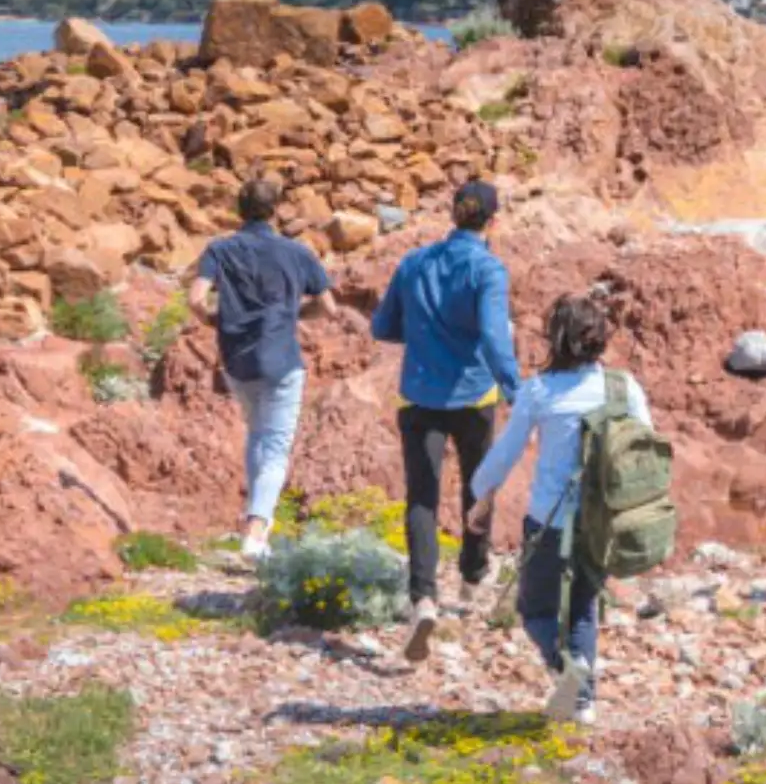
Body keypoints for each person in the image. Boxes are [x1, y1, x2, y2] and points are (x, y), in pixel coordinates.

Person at [470, 293, 651, 726]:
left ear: (555, 339)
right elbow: (647, 445)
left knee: (535, 610)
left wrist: (482, 496)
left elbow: (506, 453)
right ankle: (583, 702)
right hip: (602, 520)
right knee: (584, 607)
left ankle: (567, 669)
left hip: (549, 518)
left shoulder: (539, 392)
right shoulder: (623, 387)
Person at [372, 180, 520, 659]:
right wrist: (517, 390)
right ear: (492, 222)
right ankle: (473, 578)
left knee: (422, 497)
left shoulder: (414, 262)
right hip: (474, 395)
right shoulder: (488, 269)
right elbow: (496, 338)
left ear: (454, 215)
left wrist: (424, 335)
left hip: (418, 394)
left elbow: (382, 326)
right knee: (479, 488)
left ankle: (423, 599)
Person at [186, 175, 335, 561]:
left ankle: (257, 531)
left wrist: (215, 321)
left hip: (237, 359)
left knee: (256, 435)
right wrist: (294, 312)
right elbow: (328, 306)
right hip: (282, 358)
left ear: (240, 209)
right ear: (276, 210)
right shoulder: (297, 252)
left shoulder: (219, 249)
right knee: (277, 446)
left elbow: (196, 299)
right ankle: (256, 529)